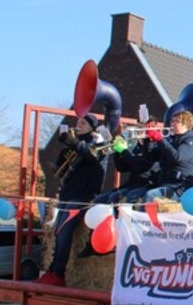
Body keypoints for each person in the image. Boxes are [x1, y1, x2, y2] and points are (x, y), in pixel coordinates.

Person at [38, 114, 108, 286]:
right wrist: (63, 151)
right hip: (67, 194)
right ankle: (52, 269)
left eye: (83, 122)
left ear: (92, 127)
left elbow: (92, 155)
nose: (79, 124)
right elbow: (61, 172)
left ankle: (59, 273)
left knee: (64, 232)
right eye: (78, 122)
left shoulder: (98, 141)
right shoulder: (76, 144)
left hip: (82, 195)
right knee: (58, 232)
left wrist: (73, 142)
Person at [93, 118, 162, 204]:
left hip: (146, 184)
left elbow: (139, 164)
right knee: (98, 200)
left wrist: (123, 150)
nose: (139, 130)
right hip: (131, 184)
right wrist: (117, 151)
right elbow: (121, 168)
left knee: (114, 198)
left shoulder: (156, 147)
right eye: (138, 126)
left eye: (143, 127)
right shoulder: (136, 146)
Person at [142, 110, 193, 203]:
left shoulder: (191, 140)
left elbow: (177, 157)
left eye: (176, 121)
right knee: (135, 194)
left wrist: (160, 139)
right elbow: (150, 156)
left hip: (181, 187)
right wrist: (149, 139)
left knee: (151, 195)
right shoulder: (172, 141)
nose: (172, 123)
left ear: (185, 123)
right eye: (172, 121)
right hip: (166, 184)